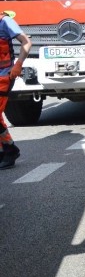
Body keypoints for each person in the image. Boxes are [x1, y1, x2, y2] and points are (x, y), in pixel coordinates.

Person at [0, 11, 31, 169]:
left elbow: (26, 42)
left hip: (4, 76)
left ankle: (10, 150)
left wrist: (18, 64)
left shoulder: (5, 21)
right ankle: (4, 151)